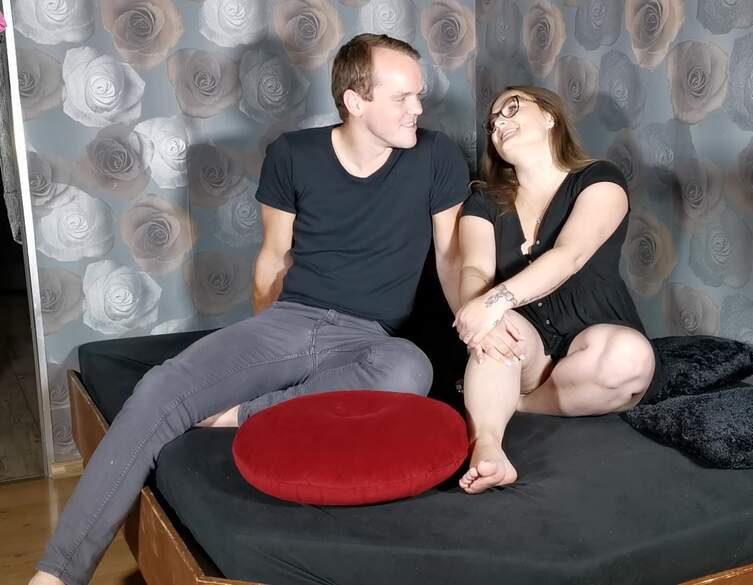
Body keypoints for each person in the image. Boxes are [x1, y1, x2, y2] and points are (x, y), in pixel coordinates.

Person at [30, 33, 469, 585]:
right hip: (292, 320)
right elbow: (272, 261)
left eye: (418, 95)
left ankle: (242, 415)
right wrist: (261, 350)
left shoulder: (436, 156)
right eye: (402, 97)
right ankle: (57, 574)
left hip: (371, 336)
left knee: (411, 368)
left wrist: (475, 324)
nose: (418, 109)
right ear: (355, 101)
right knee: (160, 387)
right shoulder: (294, 155)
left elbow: (451, 258)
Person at [453, 86, 665, 495]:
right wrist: (481, 317)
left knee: (630, 356)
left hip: (595, 332)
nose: (498, 123)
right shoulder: (483, 202)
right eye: (492, 122)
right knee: (497, 333)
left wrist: (493, 303)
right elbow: (474, 269)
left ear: (550, 116)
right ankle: (488, 447)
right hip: (527, 338)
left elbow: (570, 255)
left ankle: (522, 402)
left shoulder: (599, 178)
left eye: (512, 108)